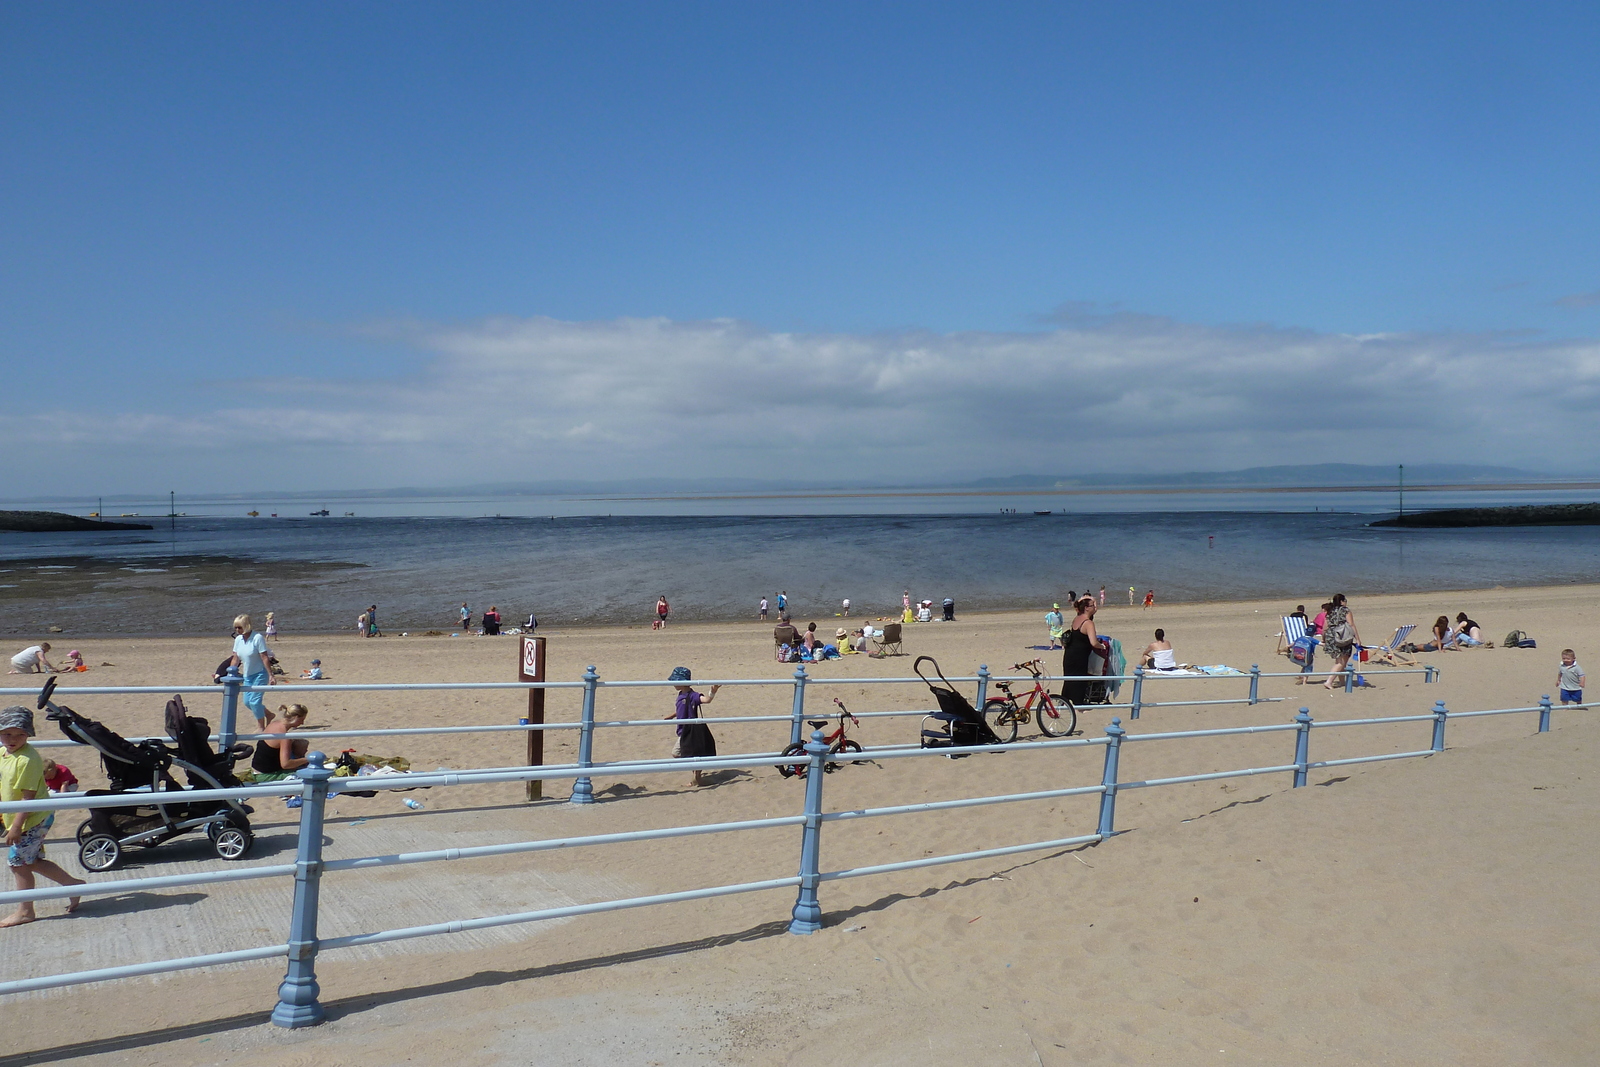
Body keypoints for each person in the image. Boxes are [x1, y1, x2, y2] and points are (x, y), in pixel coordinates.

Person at [0, 706, 85, 926]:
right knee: (32, 860)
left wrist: (17, 827)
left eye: (20, 734)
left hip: (31, 818)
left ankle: (25, 911)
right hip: (20, 816)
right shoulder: (4, 753)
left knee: (18, 864)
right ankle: (74, 885)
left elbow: (28, 798)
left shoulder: (27, 759)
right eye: (7, 733)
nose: (13, 739)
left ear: (28, 734)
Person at [662, 667, 719, 786]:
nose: (673, 684)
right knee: (688, 754)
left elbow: (707, 700)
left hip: (691, 731)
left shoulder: (693, 695)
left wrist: (712, 691)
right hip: (682, 730)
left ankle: (697, 776)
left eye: (675, 681)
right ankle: (696, 775)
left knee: (677, 753)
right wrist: (672, 715)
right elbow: (682, 709)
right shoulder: (680, 694)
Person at [228, 614, 275, 730]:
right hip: (247, 675)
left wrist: (271, 675)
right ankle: (269, 714)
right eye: (236, 628)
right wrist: (230, 674)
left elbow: (264, 657)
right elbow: (235, 658)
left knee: (254, 702)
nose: (237, 630)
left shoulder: (257, 638)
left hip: (260, 674)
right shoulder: (238, 640)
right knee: (247, 702)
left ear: (246, 626)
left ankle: (261, 726)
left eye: (240, 627)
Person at [251, 704, 310, 784]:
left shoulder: (274, 724)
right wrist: (308, 759)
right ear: (296, 718)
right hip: (266, 776)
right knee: (308, 775)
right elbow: (286, 764)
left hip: (256, 771)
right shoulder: (284, 736)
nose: (302, 723)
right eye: (301, 720)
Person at [1061, 595, 1099, 707]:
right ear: (1087, 608)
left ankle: (1065, 700)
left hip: (1069, 654)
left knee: (1069, 679)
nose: (1095, 608)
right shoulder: (1088, 623)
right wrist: (1102, 646)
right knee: (1079, 679)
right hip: (1079, 656)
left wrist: (1091, 600)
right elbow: (1094, 642)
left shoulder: (1077, 618)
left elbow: (1093, 609)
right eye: (1092, 606)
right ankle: (1078, 704)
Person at [1320, 593, 1361, 690]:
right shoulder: (1345, 610)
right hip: (1342, 636)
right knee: (1341, 662)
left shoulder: (1330, 611)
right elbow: (1351, 624)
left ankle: (1342, 681)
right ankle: (1329, 681)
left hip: (1331, 636)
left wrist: (1323, 638)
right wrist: (1358, 639)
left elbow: (1325, 627)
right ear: (1342, 601)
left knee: (1339, 660)